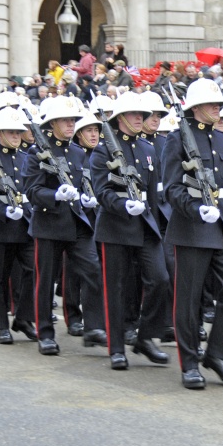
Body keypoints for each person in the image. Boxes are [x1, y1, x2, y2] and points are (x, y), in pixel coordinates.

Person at [162, 79, 223, 389]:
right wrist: (195, 209)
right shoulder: (177, 141)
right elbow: (171, 189)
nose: (218, 108)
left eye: (220, 105)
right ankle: (190, 364)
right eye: (213, 104)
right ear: (195, 108)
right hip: (192, 229)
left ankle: (216, 353)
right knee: (189, 300)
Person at [90, 92, 171, 370]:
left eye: (143, 115)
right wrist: (124, 204)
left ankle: (146, 337)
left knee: (160, 279)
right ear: (120, 118)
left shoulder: (149, 150)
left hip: (146, 226)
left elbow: (154, 194)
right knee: (116, 289)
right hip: (115, 227)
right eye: (136, 114)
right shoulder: (103, 151)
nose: (141, 119)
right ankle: (116, 348)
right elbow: (102, 191)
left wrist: (159, 225)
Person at [23, 96, 103, 353]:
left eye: (73, 120)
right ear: (52, 123)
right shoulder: (37, 154)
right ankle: (45, 333)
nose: (71, 125)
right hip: (49, 224)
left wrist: (88, 197)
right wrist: (55, 195)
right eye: (65, 120)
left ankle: (94, 327)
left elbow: (83, 184)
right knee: (45, 281)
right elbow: (32, 190)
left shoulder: (79, 153)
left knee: (93, 271)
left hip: (77, 223)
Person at [0, 108, 37, 343]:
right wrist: (4, 211)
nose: (15, 136)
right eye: (10, 132)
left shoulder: (25, 158)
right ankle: (2, 324)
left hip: (25, 225)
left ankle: (23, 318)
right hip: (1, 227)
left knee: (33, 271)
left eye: (18, 132)